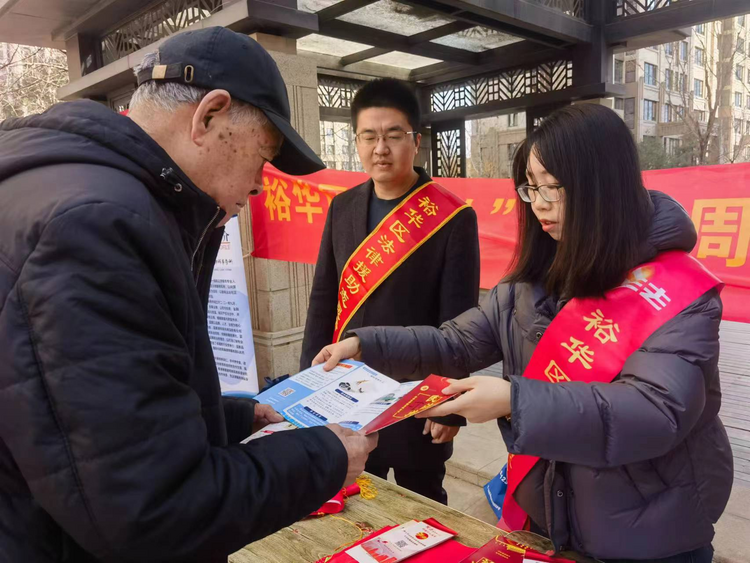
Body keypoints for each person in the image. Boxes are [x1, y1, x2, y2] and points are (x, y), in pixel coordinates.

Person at [0, 27, 377, 563]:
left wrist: (235, 418)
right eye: (263, 157)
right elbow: (155, 509)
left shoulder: (61, 184)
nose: (261, 184)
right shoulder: (100, 228)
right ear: (209, 116)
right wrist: (325, 458)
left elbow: (76, 414)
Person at [314, 104, 733, 562]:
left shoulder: (676, 291)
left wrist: (514, 399)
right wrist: (365, 343)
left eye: (555, 186)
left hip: (651, 534)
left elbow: (654, 412)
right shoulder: (532, 281)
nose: (540, 204)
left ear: (606, 188)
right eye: (532, 187)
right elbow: (456, 342)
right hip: (551, 519)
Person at [300, 78, 480, 504]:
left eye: (393, 135)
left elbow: (460, 317)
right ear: (357, 141)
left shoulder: (451, 216)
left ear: (415, 141)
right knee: (354, 500)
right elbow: (324, 297)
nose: (380, 148)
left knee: (424, 501)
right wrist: (306, 382)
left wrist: (453, 404)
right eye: (369, 136)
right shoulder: (341, 206)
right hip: (349, 393)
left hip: (417, 397)